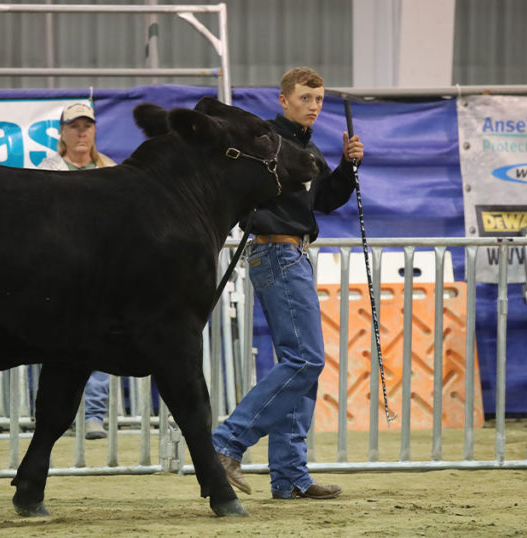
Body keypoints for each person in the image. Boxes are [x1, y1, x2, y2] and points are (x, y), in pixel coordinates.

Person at [212, 67, 364, 500]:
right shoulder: (267, 142)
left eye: (319, 100)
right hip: (278, 250)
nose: (313, 106)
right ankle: (227, 441)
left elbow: (325, 201)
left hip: (292, 252)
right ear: (284, 100)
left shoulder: (306, 146)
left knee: (301, 366)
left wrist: (348, 167)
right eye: (305, 98)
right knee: (305, 359)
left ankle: (290, 475)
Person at [40, 101, 116, 439]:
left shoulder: (111, 170)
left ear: (95, 131)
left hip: (102, 269)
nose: (81, 132)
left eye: (87, 126)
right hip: (58, 269)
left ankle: (93, 415)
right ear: (62, 133)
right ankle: (56, 415)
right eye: (74, 126)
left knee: (99, 340)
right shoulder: (48, 170)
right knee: (54, 343)